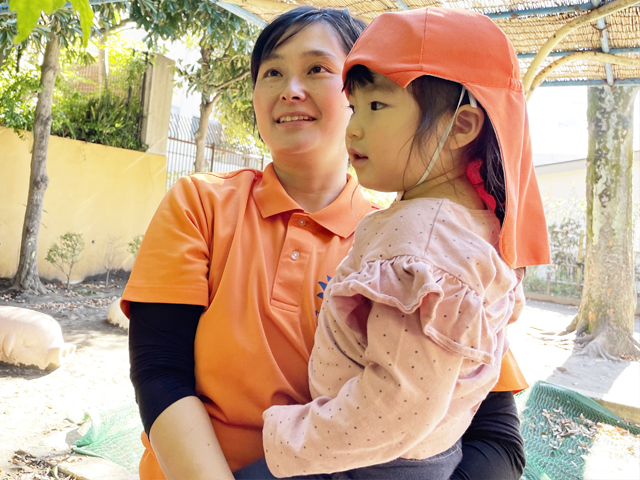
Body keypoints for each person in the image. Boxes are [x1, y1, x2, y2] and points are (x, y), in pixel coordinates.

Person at [122, 7, 548, 480]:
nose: (290, 88)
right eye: (272, 72)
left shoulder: (420, 251)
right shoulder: (200, 203)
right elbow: (159, 373)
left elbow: (495, 436)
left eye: (318, 69)